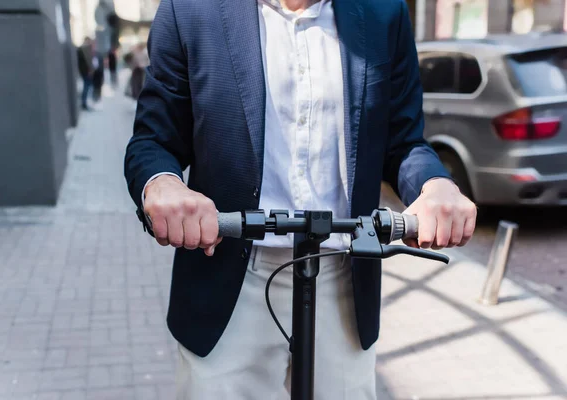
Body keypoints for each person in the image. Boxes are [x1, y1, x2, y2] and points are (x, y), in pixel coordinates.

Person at [124, 1, 477, 399]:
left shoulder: (383, 12)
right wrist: (163, 184)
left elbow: (403, 138)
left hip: (341, 274)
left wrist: (435, 184)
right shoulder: (190, 9)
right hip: (228, 275)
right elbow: (153, 138)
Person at [76, 37, 94, 110]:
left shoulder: (81, 49)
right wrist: (90, 70)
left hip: (84, 71)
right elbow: (88, 61)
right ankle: (84, 103)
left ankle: (84, 102)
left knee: (87, 87)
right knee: (86, 87)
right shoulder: (84, 49)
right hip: (86, 72)